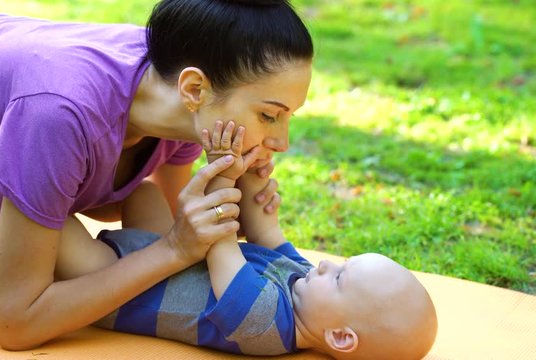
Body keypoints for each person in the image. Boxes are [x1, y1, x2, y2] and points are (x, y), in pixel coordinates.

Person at [0, 0, 313, 350]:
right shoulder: (61, 114)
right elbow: (15, 323)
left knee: (41, 268)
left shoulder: (180, 103)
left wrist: (238, 211)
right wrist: (172, 248)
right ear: (194, 89)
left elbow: (169, 240)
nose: (282, 141)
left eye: (286, 118)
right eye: (269, 116)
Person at [89, 125, 439, 359]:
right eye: (343, 262)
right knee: (145, 192)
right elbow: (266, 232)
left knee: (60, 235)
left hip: (120, 288)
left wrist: (223, 170)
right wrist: (255, 172)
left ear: (340, 337)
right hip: (160, 254)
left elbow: (220, 239)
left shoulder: (264, 324)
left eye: (339, 278)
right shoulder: (303, 282)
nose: (327, 264)